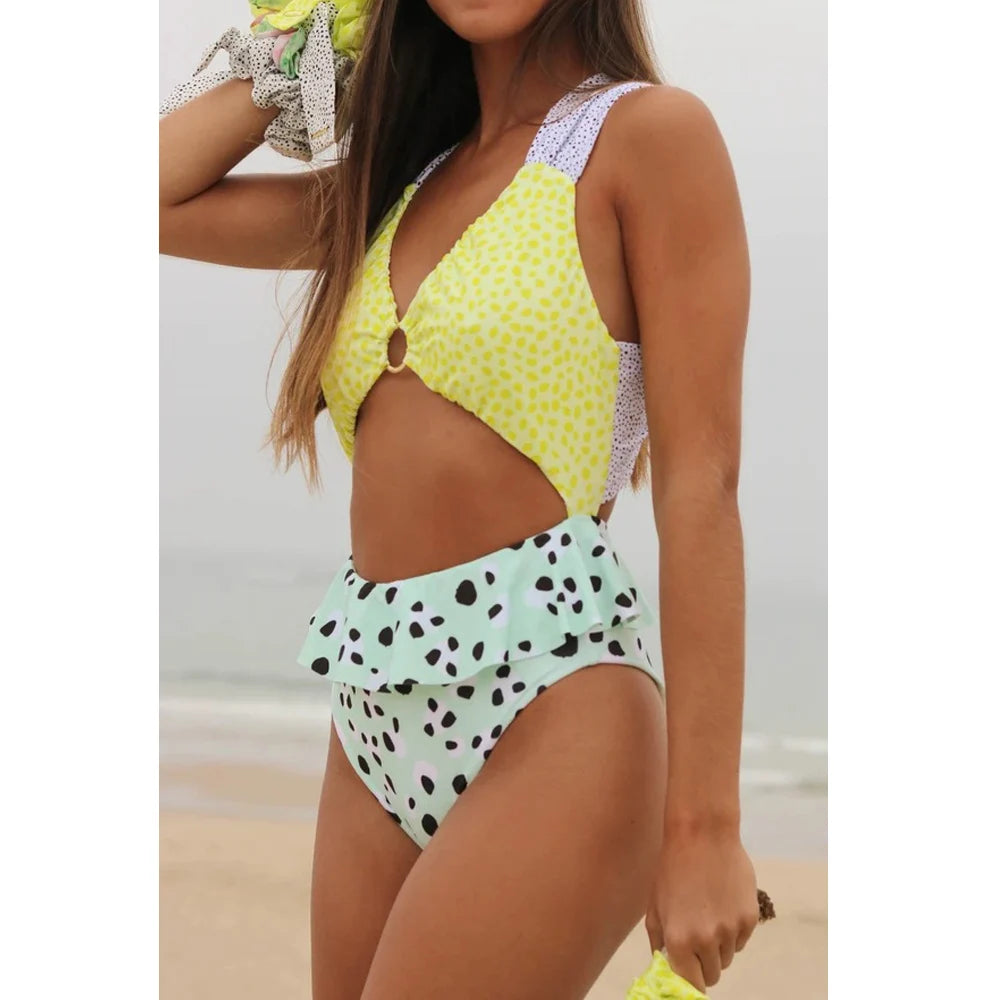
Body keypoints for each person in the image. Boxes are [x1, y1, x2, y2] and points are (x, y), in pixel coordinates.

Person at [160, 1, 758, 996]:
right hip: (373, 703)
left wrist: (705, 827)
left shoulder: (646, 138)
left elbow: (703, 482)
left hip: (556, 707)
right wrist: (318, 33)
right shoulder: (398, 184)